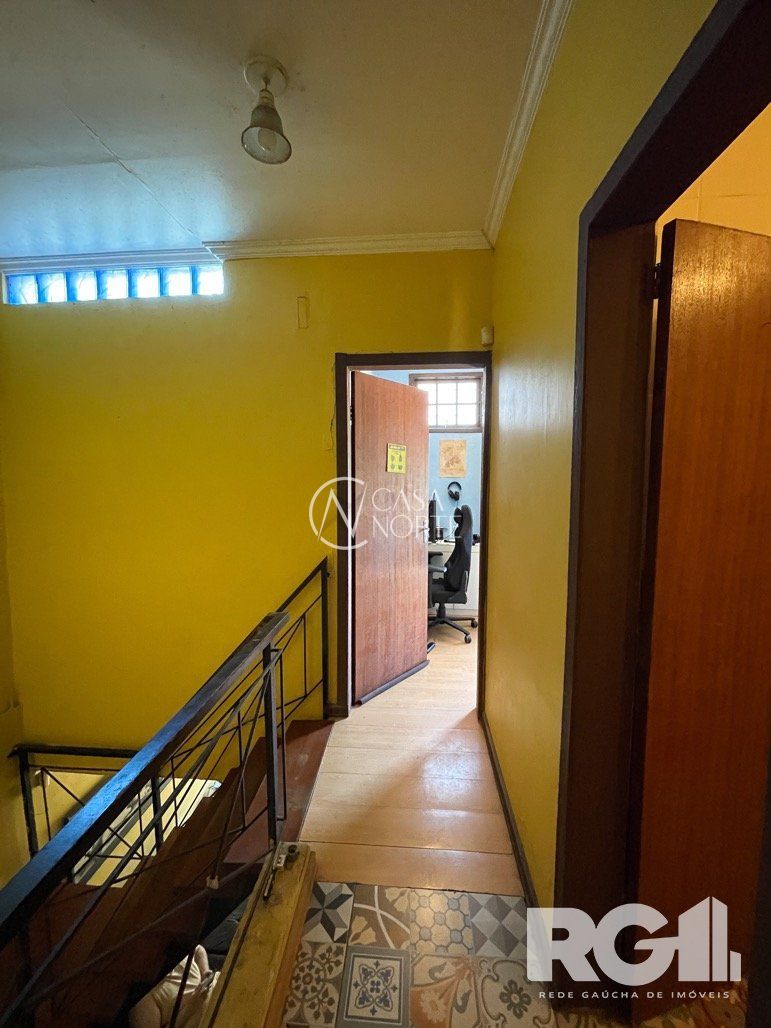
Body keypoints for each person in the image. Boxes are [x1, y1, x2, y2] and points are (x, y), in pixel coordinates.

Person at [129, 945, 219, 1028]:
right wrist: (194, 1001)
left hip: (216, 986)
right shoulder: (141, 1002)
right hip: (203, 1016)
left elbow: (198, 949)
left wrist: (204, 972)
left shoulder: (171, 946)